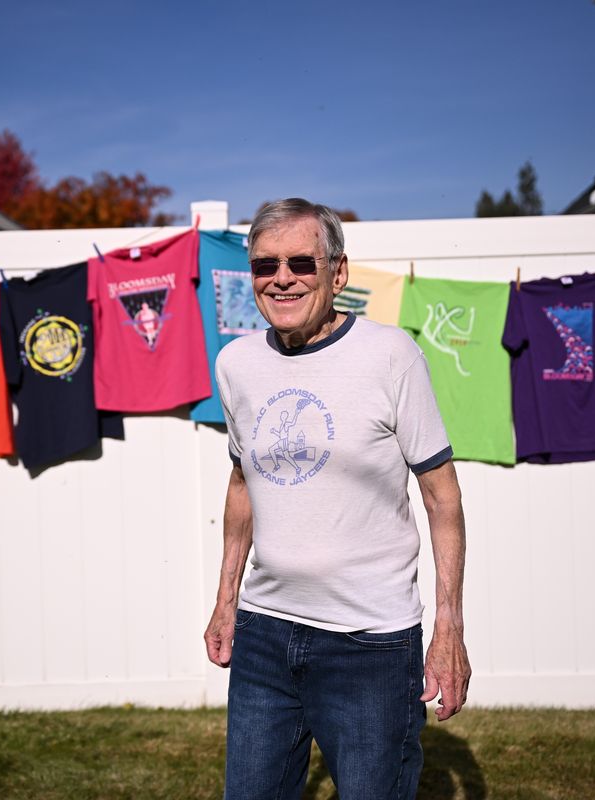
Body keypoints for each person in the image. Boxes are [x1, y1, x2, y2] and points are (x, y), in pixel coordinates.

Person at [204, 198, 470, 799]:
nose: (282, 278)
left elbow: (442, 501)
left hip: (369, 645)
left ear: (338, 273)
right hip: (265, 637)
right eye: (265, 265)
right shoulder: (236, 363)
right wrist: (226, 600)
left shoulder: (391, 356)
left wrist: (449, 628)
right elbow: (242, 484)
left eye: (301, 261)